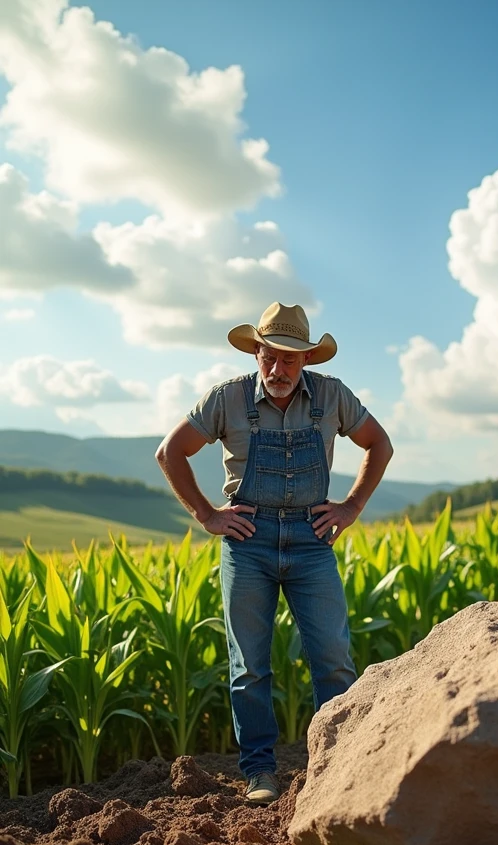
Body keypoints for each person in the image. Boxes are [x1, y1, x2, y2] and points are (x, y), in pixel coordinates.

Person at [155, 302, 394, 805]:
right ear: (256, 352)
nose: (277, 369)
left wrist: (351, 506)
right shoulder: (227, 399)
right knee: (250, 668)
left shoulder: (331, 396)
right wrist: (207, 515)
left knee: (332, 660)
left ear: (306, 360)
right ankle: (260, 772)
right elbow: (170, 452)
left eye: (289, 359)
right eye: (269, 356)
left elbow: (380, 445)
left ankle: (338, 765)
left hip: (312, 542)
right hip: (248, 541)